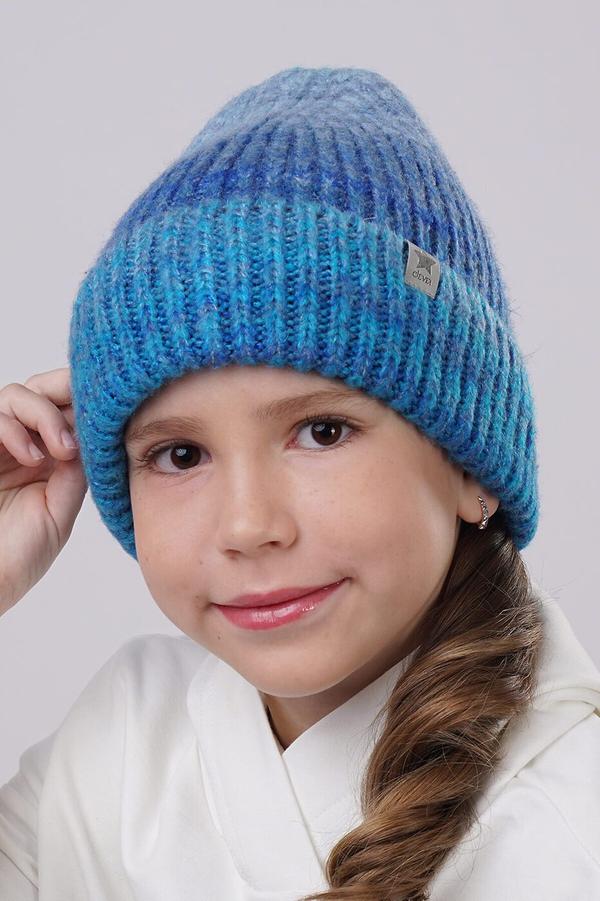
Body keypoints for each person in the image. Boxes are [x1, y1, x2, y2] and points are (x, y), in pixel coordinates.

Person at [1, 65, 599, 901]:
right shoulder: (126, 738)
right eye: (181, 455)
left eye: (322, 432)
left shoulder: (571, 830)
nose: (248, 524)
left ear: (471, 465)